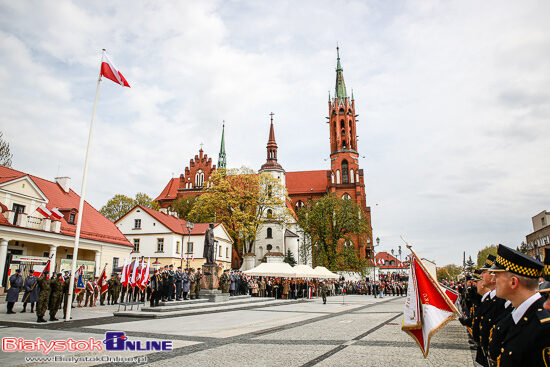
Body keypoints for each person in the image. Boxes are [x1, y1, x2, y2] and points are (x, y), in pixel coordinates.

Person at [488, 244, 550, 366]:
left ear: (513, 282)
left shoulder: (544, 328)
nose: (493, 281)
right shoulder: (518, 316)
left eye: (497, 276)